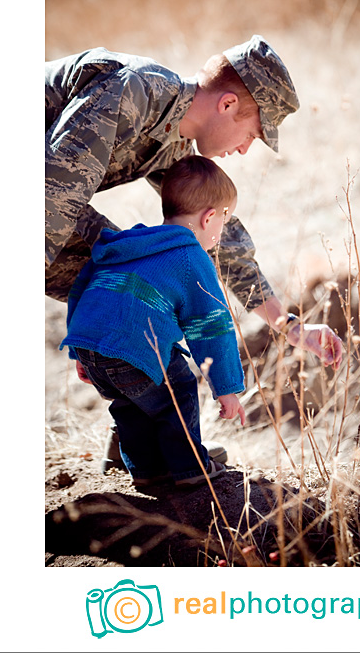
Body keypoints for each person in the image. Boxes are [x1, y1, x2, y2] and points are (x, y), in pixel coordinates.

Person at [46, 34, 343, 470]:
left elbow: (223, 238)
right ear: (226, 104)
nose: (244, 149)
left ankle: (147, 439)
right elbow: (48, 200)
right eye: (253, 132)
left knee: (127, 270)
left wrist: (290, 327)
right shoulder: (134, 92)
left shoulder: (173, 141)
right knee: (120, 267)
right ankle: (160, 440)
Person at [60, 156, 246, 487]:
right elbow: (211, 326)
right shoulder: (190, 255)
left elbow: (82, 288)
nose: (222, 230)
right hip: (132, 345)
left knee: (129, 404)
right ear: (209, 218)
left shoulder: (127, 244)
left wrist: (81, 352)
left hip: (90, 343)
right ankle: (190, 469)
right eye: (225, 220)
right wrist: (227, 387)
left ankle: (147, 472)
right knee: (177, 391)